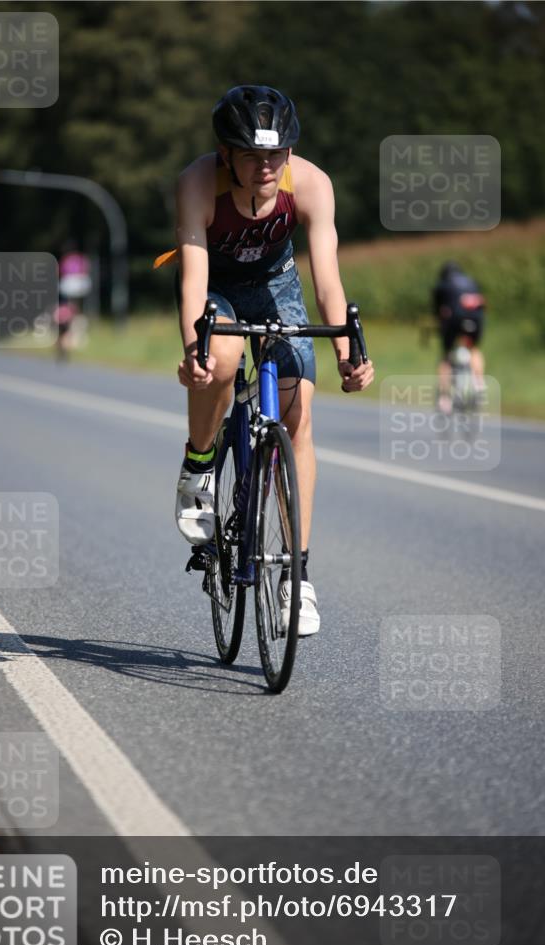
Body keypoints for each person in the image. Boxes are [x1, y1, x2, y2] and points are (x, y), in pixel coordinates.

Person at [167, 85, 374, 636]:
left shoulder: (310, 183)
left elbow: (327, 279)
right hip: (218, 285)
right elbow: (192, 279)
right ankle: (201, 463)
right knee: (225, 354)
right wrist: (196, 351)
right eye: (252, 155)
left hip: (276, 284)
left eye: (275, 154)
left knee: (298, 410)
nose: (265, 166)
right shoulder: (197, 183)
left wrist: (348, 352)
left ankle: (296, 580)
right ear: (225, 152)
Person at [433, 261, 486, 414]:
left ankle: (444, 399)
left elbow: (438, 312)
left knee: (446, 357)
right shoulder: (472, 282)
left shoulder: (442, 285)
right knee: (473, 349)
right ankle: (479, 383)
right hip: (477, 319)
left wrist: (441, 327)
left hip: (455, 320)